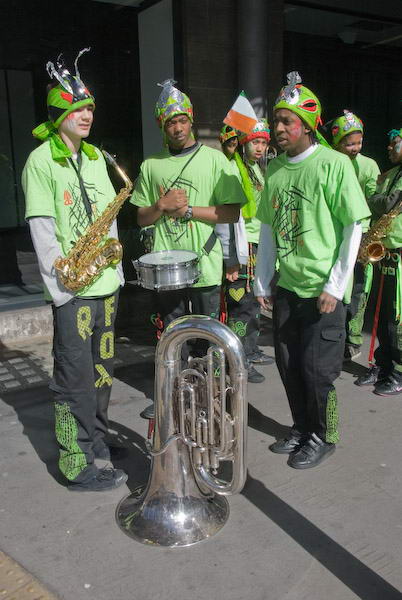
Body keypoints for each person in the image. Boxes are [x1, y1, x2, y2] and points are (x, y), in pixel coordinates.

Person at [22, 50, 127, 491]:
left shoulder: (97, 157)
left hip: (105, 286)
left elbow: (109, 215)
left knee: (101, 373)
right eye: (78, 108)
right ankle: (75, 462)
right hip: (73, 291)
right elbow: (43, 234)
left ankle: (98, 441)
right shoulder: (40, 162)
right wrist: (61, 290)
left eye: (90, 109)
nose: (87, 115)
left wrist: (115, 270)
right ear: (59, 110)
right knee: (73, 380)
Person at [254, 72, 370, 469]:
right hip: (288, 286)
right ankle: (302, 428)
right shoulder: (275, 170)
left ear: (307, 124)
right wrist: (261, 278)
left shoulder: (334, 164)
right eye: (276, 120)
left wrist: (335, 286)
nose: (278, 127)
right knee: (289, 365)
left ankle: (325, 435)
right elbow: (267, 227)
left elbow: (353, 226)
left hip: (322, 290)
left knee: (316, 370)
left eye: (286, 121)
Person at [131, 80, 245, 415]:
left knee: (206, 338)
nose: (177, 127)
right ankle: (172, 395)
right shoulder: (151, 165)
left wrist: (190, 211)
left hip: (205, 266)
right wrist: (161, 205)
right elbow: (140, 218)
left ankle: (208, 396)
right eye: (170, 122)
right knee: (170, 335)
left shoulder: (215, 160)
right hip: (167, 269)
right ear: (161, 126)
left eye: (181, 120)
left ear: (190, 120)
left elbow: (232, 211)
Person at [217, 122, 274, 384]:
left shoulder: (257, 170)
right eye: (255, 142)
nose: (260, 147)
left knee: (253, 303)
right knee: (241, 304)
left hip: (257, 242)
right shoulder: (234, 168)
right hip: (243, 246)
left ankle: (250, 350)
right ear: (243, 143)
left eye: (263, 142)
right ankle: (238, 359)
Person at [355, 128, 402, 395]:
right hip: (384, 253)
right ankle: (383, 365)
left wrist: (378, 201)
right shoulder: (392, 174)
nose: (389, 148)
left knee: (397, 318)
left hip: (400, 254)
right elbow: (378, 201)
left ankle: (398, 370)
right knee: (380, 314)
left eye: (395, 143)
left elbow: (384, 202)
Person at [330, 110, 380, 361]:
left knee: (360, 289)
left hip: (363, 233)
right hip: (336, 232)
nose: (355, 148)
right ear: (337, 143)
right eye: (349, 143)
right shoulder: (330, 162)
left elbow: (373, 197)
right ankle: (335, 335)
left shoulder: (369, 165)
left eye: (358, 142)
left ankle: (354, 337)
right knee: (338, 285)